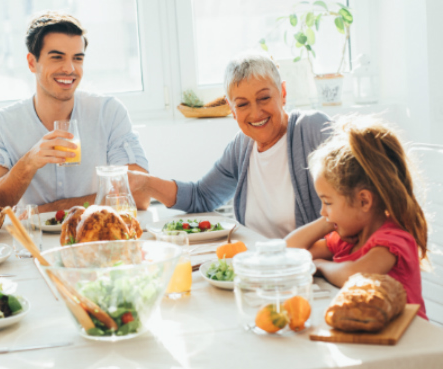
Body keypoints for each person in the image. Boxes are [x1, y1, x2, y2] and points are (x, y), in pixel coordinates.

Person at [128, 52, 332, 238]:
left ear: (283, 92)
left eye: (264, 98)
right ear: (232, 109)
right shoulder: (241, 147)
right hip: (253, 263)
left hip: (304, 266)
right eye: (242, 104)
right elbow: (202, 196)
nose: (255, 113)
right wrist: (143, 183)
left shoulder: (313, 129)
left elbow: (350, 208)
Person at [0, 11, 149, 213]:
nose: (69, 68)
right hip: (30, 242)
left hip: (95, 237)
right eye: (57, 57)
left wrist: (51, 210)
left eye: (77, 58)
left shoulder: (109, 113)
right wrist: (29, 163)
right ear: (32, 62)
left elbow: (141, 194)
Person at [285, 116, 428, 319]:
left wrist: (322, 265)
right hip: (372, 333)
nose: (321, 211)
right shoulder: (348, 239)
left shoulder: (393, 240)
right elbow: (288, 252)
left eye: (327, 202)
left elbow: (357, 275)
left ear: (364, 201)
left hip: (411, 341)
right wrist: (327, 221)